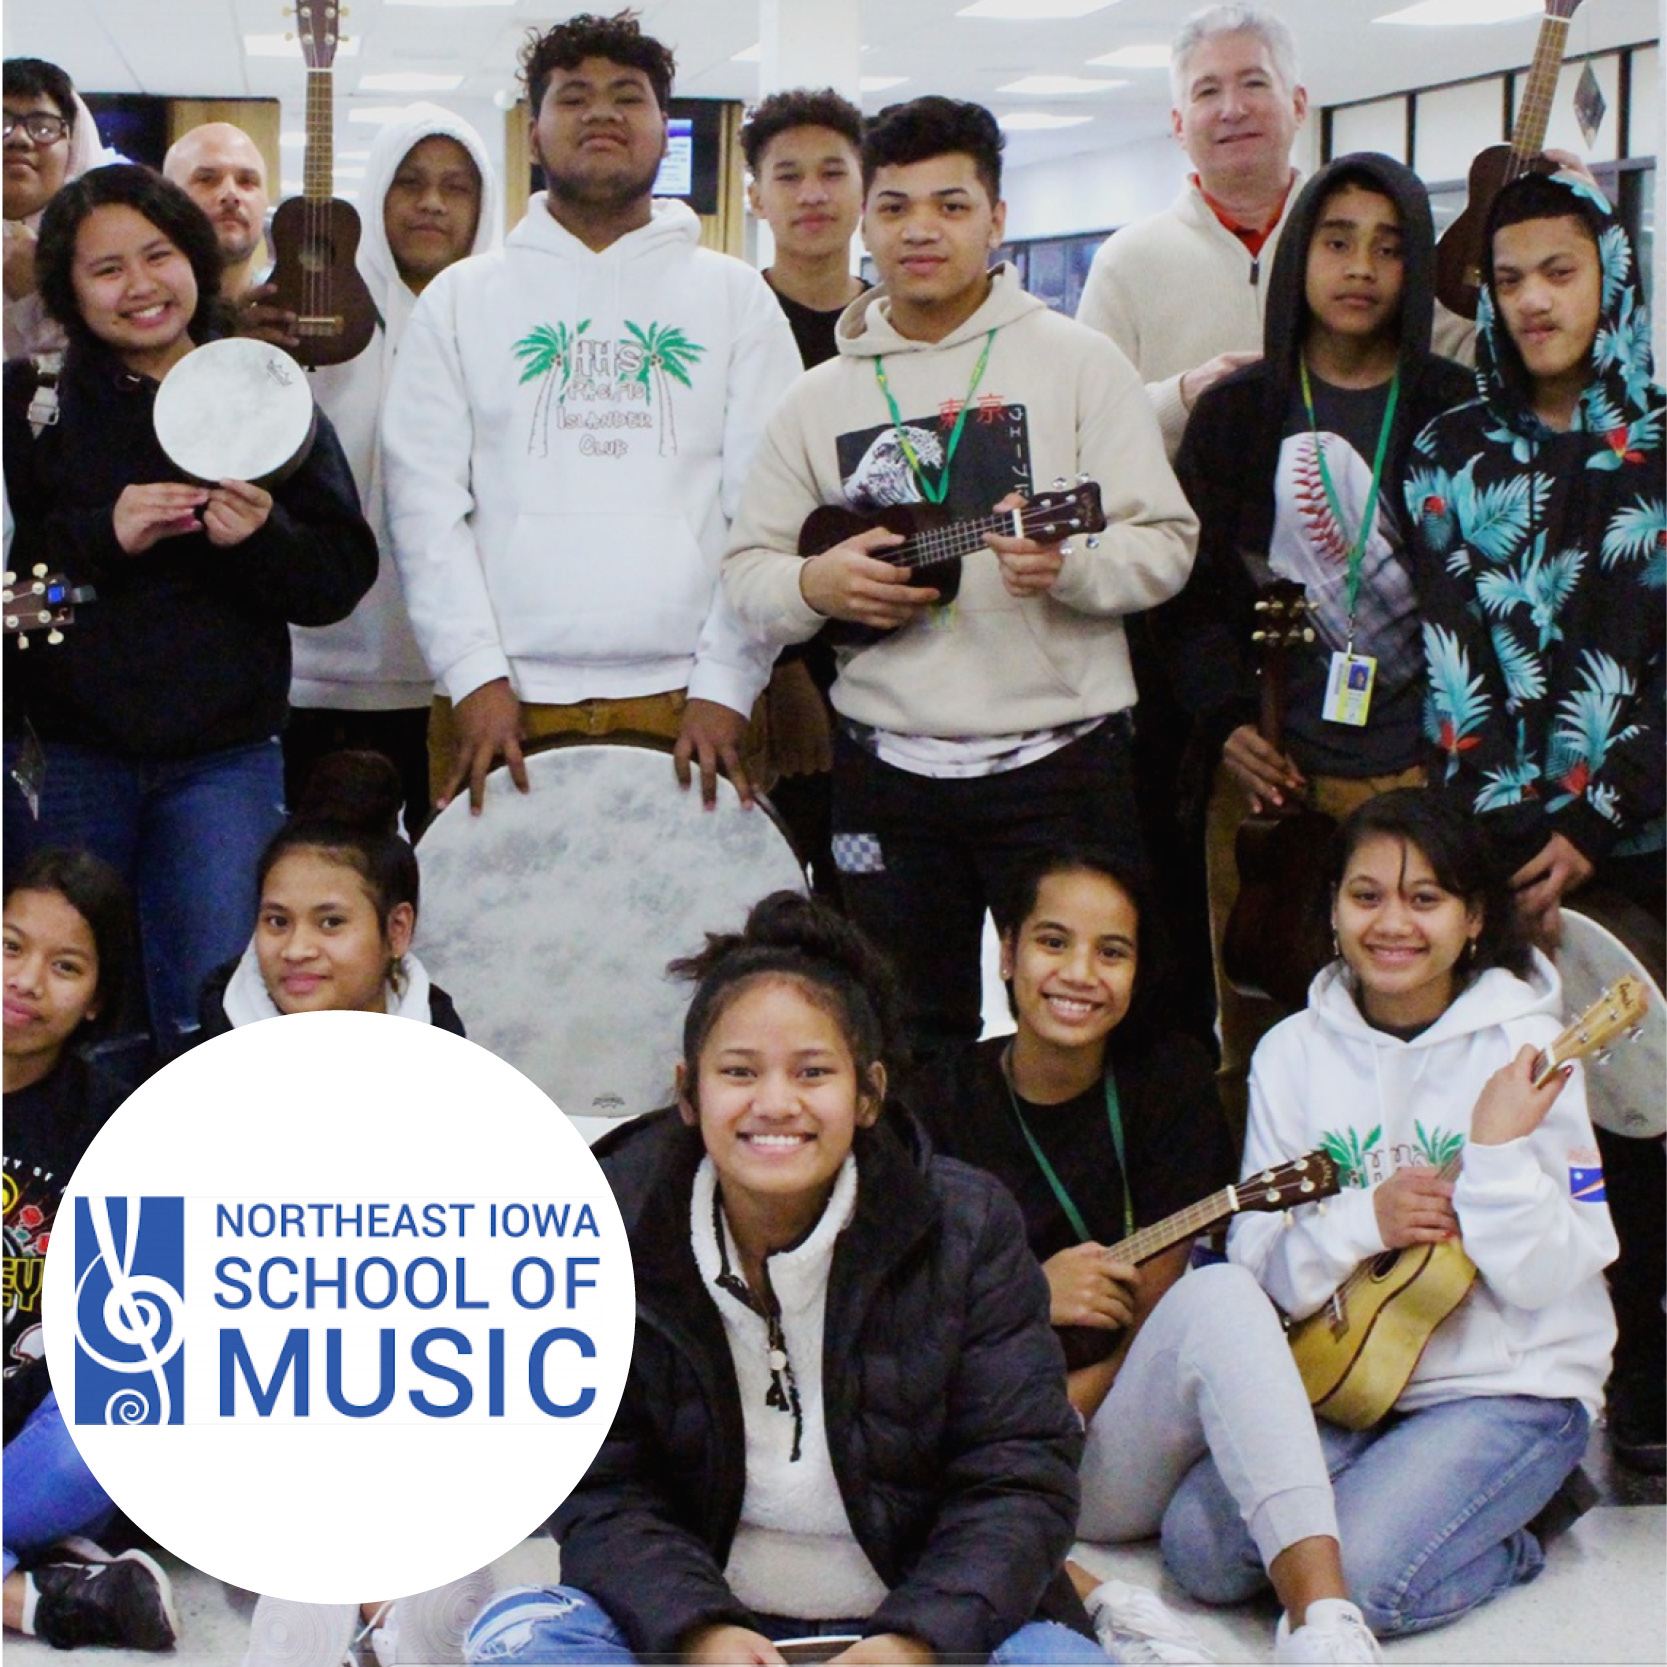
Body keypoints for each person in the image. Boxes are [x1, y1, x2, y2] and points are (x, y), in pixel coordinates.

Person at [466, 891, 1104, 1665]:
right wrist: (696, 1628)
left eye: (812, 1072)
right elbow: (603, 1483)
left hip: (914, 1630)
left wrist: (914, 1641)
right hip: (710, 1629)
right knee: (521, 1634)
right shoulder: (610, 1225)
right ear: (687, 1091)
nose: (775, 1103)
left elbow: (1019, 1480)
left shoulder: (968, 1228)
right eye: (738, 1071)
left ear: (867, 1093)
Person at [722, 95, 1196, 1055]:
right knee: (899, 1029)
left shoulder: (1079, 364)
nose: (920, 229)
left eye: (949, 204)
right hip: (882, 779)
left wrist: (1073, 567)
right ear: (868, 223)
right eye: (894, 207)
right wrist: (816, 587)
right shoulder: (818, 398)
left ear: (996, 220)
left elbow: (1165, 541)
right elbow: (747, 572)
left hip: (1062, 768)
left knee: (1086, 1025)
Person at [910, 847, 1382, 1665]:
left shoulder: (1166, 1082)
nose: (1079, 973)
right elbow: (897, 1314)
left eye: (1111, 951)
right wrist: (1027, 1291)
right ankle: (1097, 1600)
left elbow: (1157, 1300)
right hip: (975, 1442)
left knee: (1224, 1289)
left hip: (1106, 1430)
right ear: (1006, 951)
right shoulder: (933, 1100)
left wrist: (1074, 1406)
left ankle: (1323, 1622)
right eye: (1052, 942)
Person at [1166, 789, 1618, 1638]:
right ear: (1332, 908)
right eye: (1365, 895)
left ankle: (1522, 1528)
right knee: (1200, 1548)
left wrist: (1488, 1158)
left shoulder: (1528, 1047)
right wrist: (1361, 1220)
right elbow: (1258, 1254)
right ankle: (1418, 1504)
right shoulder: (1289, 1052)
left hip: (1506, 1386)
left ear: (1473, 917)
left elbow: (1555, 1270)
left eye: (1425, 898)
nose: (1392, 924)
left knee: (1362, 1584)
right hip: (1346, 1378)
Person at [1403, 165, 1664, 1472]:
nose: (1531, 300)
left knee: (1647, 1121)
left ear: (1607, 278)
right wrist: (1502, 843)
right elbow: (1450, 657)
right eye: (1506, 280)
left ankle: (1649, 1401)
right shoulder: (1446, 452)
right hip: (1489, 854)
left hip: (1642, 849)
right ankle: (1521, 1405)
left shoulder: (1660, 445)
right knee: (1519, 1119)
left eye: (1556, 272)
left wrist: (1598, 818)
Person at [382, 11, 801, 818]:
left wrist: (727, 681)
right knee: (488, 943)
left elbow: (766, 509)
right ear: (533, 136)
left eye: (627, 97)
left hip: (692, 701)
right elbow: (424, 506)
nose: (602, 114)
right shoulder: (463, 300)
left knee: (702, 944)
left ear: (663, 127)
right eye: (573, 97)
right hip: (497, 707)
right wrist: (472, 673)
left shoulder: (734, 297)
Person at [2, 165, 378, 1045]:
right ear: (67, 290)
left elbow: (335, 581)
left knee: (209, 1006)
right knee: (58, 1008)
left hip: (225, 763)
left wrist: (266, 537)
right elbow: (16, 611)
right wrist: (101, 541)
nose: (139, 286)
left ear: (196, 261)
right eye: (106, 270)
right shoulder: (34, 407)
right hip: (72, 762)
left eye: (158, 255)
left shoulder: (266, 391)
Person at [1159, 153, 1474, 1123]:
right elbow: (1183, 601)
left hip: (1419, 777)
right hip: (1270, 785)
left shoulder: (1451, 410)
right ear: (1299, 254)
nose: (1359, 268)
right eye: (1335, 241)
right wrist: (1223, 726)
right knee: (1262, 1034)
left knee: (1418, 1035)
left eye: (1386, 247)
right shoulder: (1237, 414)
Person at [281, 109, 499, 836]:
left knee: (442, 875)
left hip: (453, 673)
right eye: (409, 182)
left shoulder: (500, 323)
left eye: (455, 187)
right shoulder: (309, 306)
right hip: (314, 668)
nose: (431, 203)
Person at [3, 849, 179, 1652]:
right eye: (9, 945)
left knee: (105, 1438)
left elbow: (142, 1342)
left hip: (36, 1438)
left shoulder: (119, 1126)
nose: (27, 981)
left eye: (64, 965)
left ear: (99, 997)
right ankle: (37, 1595)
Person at [740, 86, 871, 904]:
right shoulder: (731, 321)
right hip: (765, 668)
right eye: (789, 176)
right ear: (755, 195)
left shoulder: (900, 327)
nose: (813, 194)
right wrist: (781, 668)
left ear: (864, 187)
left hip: (891, 673)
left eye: (833, 173)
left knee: (872, 910)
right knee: (772, 904)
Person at [195, 751, 465, 1038]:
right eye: (277, 921)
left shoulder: (450, 1057)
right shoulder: (194, 1068)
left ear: (397, 929)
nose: (296, 950)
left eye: (331, 922)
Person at [3, 57, 106, 360]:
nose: (19, 139)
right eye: (1, 123)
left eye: (43, 127)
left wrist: (39, 300)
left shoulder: (105, 252)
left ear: (73, 147)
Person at [161, 121, 270, 300]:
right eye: (206, 179)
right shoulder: (140, 311)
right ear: (167, 200)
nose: (230, 195)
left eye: (247, 180)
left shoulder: (294, 314)